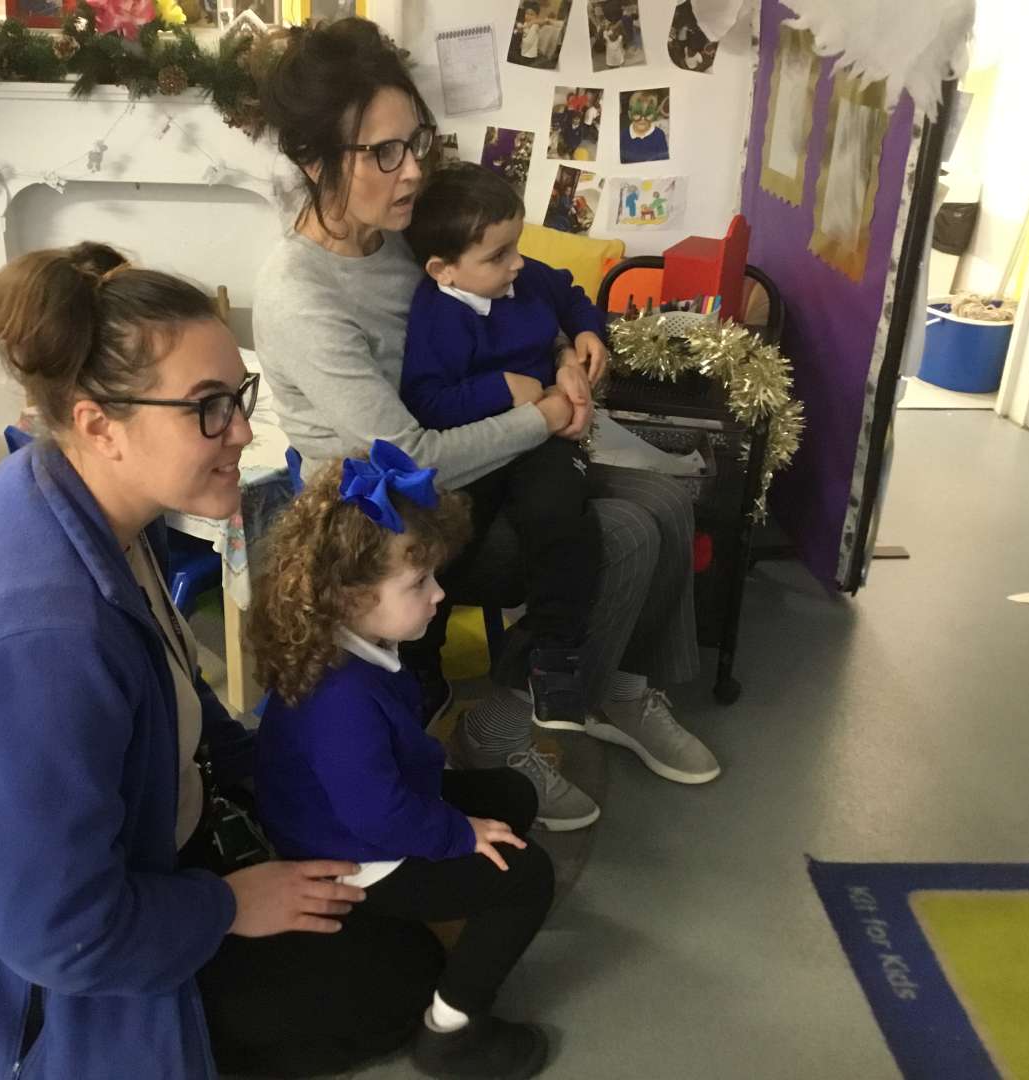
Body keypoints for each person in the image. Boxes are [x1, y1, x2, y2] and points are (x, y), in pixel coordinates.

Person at [0, 241, 446, 1080]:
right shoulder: (37, 648)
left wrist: (269, 773)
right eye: (207, 408)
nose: (242, 430)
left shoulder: (83, 494)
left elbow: (174, 683)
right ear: (98, 424)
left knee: (376, 913)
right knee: (401, 980)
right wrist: (227, 904)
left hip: (136, 853)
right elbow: (60, 935)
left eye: (239, 396)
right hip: (45, 987)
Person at [253, 18, 720, 839]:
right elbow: (414, 460)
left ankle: (615, 684)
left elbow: (509, 293)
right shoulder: (302, 296)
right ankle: (499, 725)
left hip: (488, 458)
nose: (412, 170)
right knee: (620, 534)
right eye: (383, 153)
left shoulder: (402, 235)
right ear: (316, 161)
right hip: (391, 516)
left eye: (416, 142)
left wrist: (567, 353)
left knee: (668, 501)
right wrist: (542, 414)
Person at [251, 441, 555, 1080]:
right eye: (419, 583)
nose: (439, 594)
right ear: (350, 598)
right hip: (353, 855)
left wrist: (456, 820)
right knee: (528, 876)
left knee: (513, 797)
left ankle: (465, 917)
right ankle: (450, 1032)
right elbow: (378, 815)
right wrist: (457, 833)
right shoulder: (341, 698)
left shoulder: (353, 647)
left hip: (364, 814)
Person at [402, 162, 603, 727]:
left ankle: (554, 654)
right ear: (444, 270)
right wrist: (500, 388)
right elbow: (427, 401)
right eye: (498, 256)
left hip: (543, 442)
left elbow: (571, 294)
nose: (516, 262)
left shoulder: (525, 279)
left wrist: (587, 331)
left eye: (516, 245)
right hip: (480, 448)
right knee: (447, 539)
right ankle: (421, 666)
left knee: (562, 515)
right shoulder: (435, 317)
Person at [622, 90, 670, 163]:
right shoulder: (624, 135)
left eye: (648, 114)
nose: (643, 119)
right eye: (637, 113)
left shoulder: (659, 135)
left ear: (654, 114)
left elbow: (664, 161)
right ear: (629, 114)